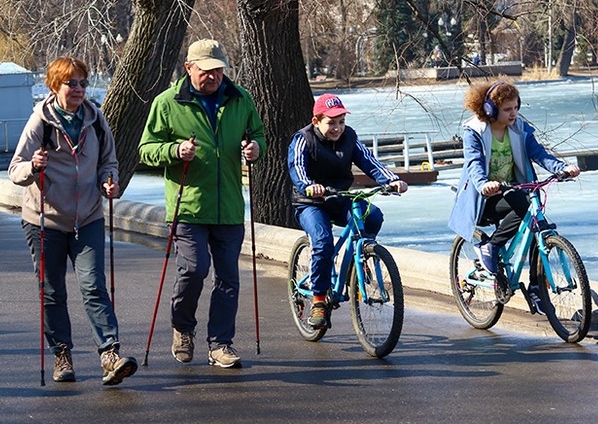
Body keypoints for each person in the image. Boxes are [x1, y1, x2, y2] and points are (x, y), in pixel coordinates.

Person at [8, 56, 138, 385]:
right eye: (71, 83)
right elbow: (16, 170)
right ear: (55, 86)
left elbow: (109, 161)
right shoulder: (40, 121)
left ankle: (110, 355)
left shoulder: (95, 119)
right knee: (52, 292)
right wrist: (34, 166)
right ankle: (62, 355)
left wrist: (110, 181)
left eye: (82, 82)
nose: (79, 89)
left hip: (89, 216)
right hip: (44, 220)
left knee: (93, 285)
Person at [137, 39, 266, 368]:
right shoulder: (167, 103)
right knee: (194, 271)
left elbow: (258, 135)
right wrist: (174, 151)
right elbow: (147, 149)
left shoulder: (240, 98)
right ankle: (183, 327)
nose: (213, 77)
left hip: (230, 208)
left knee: (228, 280)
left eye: (219, 71)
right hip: (189, 206)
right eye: (206, 71)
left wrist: (255, 150)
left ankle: (220, 343)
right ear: (189, 68)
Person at [448, 81, 580, 313]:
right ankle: (492, 246)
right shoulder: (475, 131)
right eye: (508, 109)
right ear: (490, 109)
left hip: (512, 191)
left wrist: (561, 168)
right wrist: (484, 184)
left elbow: (539, 153)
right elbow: (474, 164)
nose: (514, 113)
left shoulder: (520, 128)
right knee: (522, 204)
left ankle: (537, 289)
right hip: (484, 199)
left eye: (516, 107)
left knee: (539, 225)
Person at [287, 93, 408, 329]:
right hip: (311, 202)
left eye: (341, 121)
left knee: (372, 216)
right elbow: (297, 168)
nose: (337, 128)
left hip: (340, 197)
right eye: (331, 122)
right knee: (322, 242)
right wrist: (309, 186)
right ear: (316, 121)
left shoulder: (349, 137)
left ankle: (360, 257)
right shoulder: (303, 139)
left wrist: (392, 180)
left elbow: (368, 161)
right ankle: (320, 300)